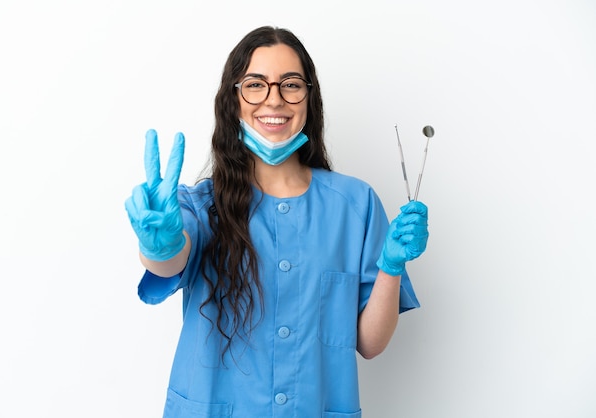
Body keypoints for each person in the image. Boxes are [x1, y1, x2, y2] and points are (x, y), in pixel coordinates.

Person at [125, 25, 429, 418]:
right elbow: (170, 261)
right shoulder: (201, 205)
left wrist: (391, 266)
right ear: (233, 99)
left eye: (290, 84)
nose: (274, 99)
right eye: (255, 84)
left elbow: (370, 343)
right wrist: (160, 246)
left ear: (308, 97)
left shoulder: (354, 204)